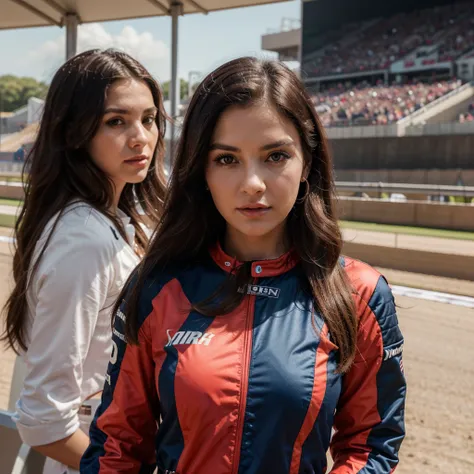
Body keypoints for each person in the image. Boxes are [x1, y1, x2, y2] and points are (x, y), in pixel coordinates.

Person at [81, 57, 406, 474]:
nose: (253, 183)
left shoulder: (359, 293)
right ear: (202, 171)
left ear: (306, 162)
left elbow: (371, 447)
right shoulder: (156, 287)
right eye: (227, 160)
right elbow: (115, 447)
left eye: (275, 156)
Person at [0, 48, 167, 474]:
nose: (141, 137)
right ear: (76, 131)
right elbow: (43, 420)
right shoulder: (83, 240)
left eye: (148, 119)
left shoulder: (111, 221)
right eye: (117, 121)